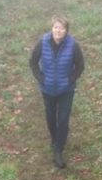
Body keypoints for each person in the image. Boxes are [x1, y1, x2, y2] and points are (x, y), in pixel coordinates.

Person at [29, 16, 84, 169]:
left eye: (61, 28)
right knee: (50, 118)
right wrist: (41, 78)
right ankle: (55, 138)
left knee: (63, 120)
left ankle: (58, 151)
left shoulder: (73, 45)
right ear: (52, 28)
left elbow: (80, 65)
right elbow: (33, 62)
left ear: (66, 30)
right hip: (47, 89)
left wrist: (70, 80)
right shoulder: (43, 42)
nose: (58, 31)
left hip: (66, 90)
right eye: (55, 27)